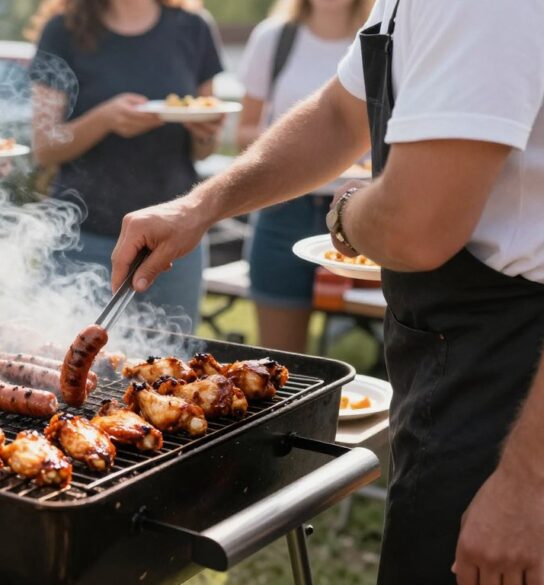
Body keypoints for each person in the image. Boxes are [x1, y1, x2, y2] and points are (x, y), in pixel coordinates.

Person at [111, 0, 544, 582]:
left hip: (517, 389)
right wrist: (201, 205)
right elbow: (341, 116)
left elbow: (416, 226)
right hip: (453, 364)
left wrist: (527, 486)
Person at [27, 0, 224, 331]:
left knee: (171, 370)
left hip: (175, 239)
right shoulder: (62, 29)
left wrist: (205, 133)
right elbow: (44, 147)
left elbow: (203, 150)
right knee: (77, 365)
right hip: (83, 239)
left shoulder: (194, 27)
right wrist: (104, 119)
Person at [237, 0, 371, 352]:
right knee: (282, 361)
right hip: (283, 208)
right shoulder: (274, 38)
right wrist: (300, 154)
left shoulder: (380, 36)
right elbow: (246, 131)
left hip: (363, 209)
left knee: (385, 350)